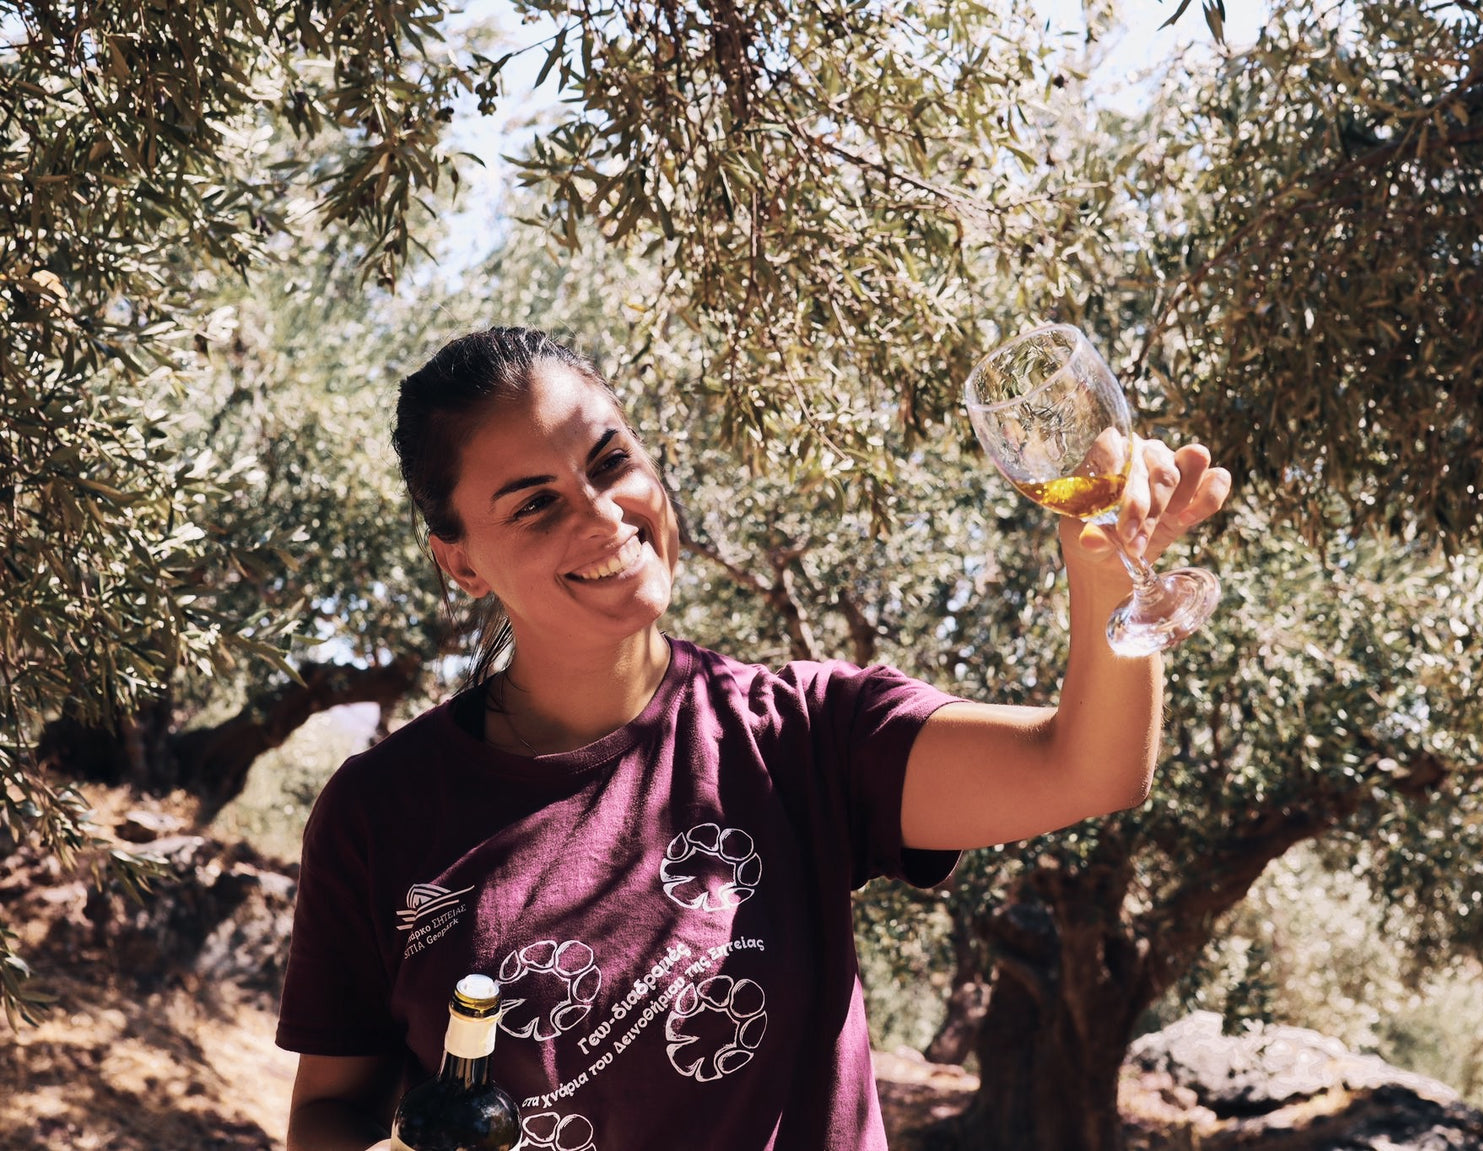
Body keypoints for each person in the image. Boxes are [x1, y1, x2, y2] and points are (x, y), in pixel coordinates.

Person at [276, 326, 1230, 1151]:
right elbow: (327, 1109)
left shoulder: (802, 734)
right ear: (458, 562)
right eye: (534, 502)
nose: (604, 513)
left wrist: (1102, 567)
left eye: (610, 462)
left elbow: (1088, 769)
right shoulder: (380, 811)